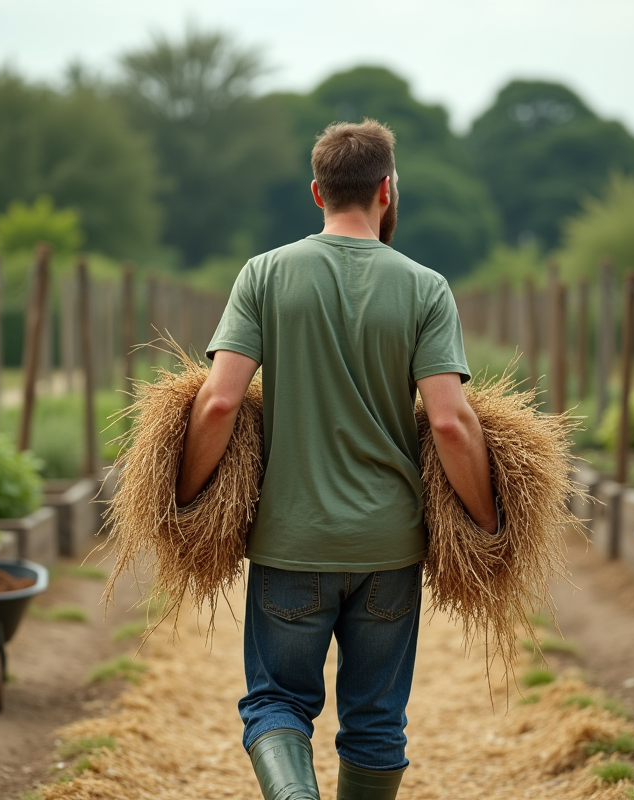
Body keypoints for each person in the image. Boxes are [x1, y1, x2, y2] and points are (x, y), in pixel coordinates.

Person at [175, 119, 498, 800]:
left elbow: (218, 404)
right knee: (376, 720)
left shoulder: (264, 274)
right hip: (389, 547)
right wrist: (488, 524)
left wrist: (186, 503)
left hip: (292, 543)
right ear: (387, 190)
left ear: (317, 192)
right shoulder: (426, 287)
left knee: (276, 702)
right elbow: (450, 421)